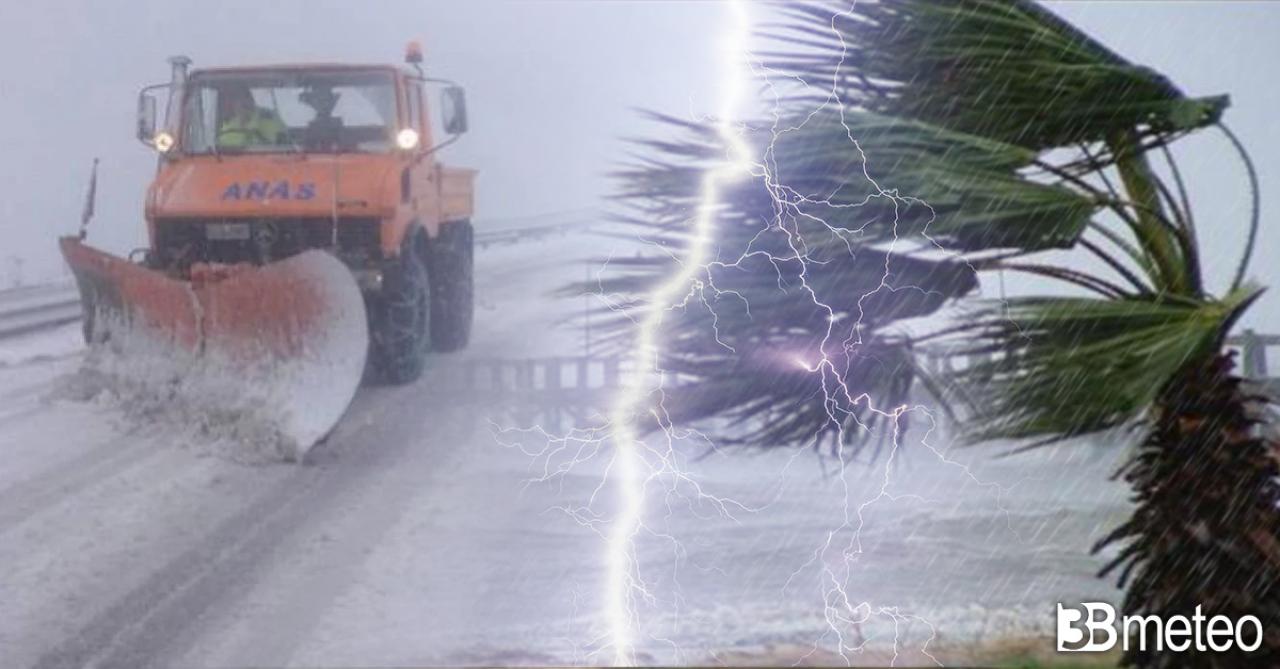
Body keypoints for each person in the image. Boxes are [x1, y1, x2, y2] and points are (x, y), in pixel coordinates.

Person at [216, 85, 286, 149]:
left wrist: (247, 122)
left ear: (251, 98)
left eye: (245, 96)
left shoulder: (269, 116)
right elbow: (222, 150)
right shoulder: (225, 123)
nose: (242, 101)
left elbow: (284, 143)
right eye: (236, 98)